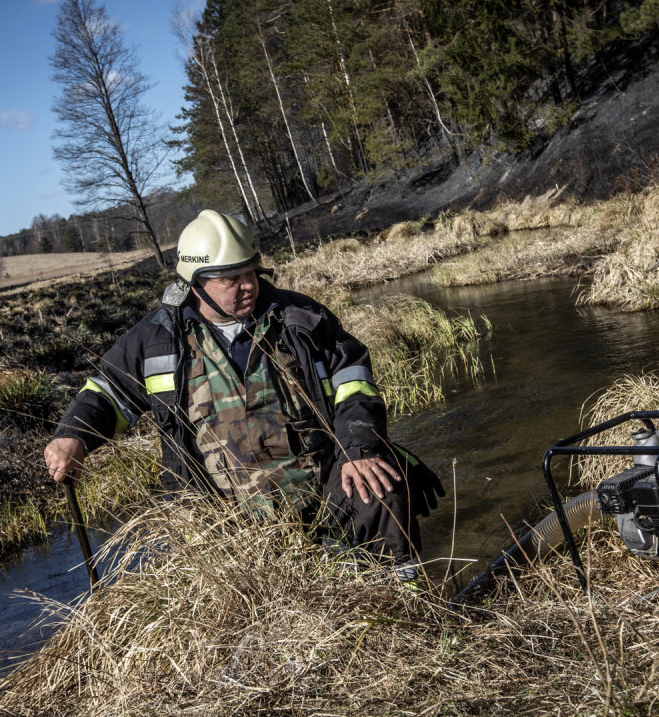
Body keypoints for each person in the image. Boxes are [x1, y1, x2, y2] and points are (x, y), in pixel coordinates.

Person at [44, 209, 442, 582]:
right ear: (195, 282)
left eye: (251, 272)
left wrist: (361, 449)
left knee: (381, 485)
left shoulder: (301, 320)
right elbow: (108, 393)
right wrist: (73, 436)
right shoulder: (155, 340)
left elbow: (353, 380)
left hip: (324, 495)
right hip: (225, 524)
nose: (248, 285)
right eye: (230, 278)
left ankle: (408, 608)